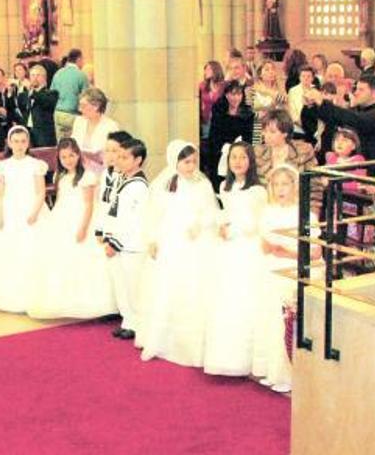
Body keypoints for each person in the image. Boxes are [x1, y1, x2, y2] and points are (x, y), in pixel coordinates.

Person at [138, 140, 219, 367]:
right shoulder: (163, 185)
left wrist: (201, 224)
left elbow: (211, 210)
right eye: (186, 162)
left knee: (192, 288)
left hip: (195, 242)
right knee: (167, 287)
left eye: (194, 161)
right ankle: (162, 338)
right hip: (170, 241)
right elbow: (153, 215)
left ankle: (191, 343)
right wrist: (152, 239)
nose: (191, 166)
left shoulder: (202, 184)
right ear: (175, 162)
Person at [27, 137, 116, 319]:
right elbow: (60, 199)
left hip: (82, 219)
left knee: (84, 258)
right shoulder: (59, 176)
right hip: (63, 218)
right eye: (64, 157)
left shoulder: (87, 176)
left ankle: (90, 300)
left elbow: (89, 205)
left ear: (79, 155)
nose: (68, 160)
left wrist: (83, 228)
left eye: (72, 155)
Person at [203, 141, 265, 377]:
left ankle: (247, 357)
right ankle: (224, 354)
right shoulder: (225, 187)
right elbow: (225, 212)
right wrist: (221, 225)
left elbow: (257, 222)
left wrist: (236, 230)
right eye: (233, 158)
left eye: (242, 157)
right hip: (226, 246)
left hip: (246, 246)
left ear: (251, 162)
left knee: (244, 296)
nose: (237, 162)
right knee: (224, 296)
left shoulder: (257, 191)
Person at [258, 165, 320, 393]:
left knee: (288, 320)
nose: (280, 189)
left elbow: (315, 252)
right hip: (271, 267)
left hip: (293, 269)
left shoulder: (306, 214)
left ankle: (290, 375)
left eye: (285, 184)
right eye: (276, 184)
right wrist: (270, 247)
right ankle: (272, 370)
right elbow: (263, 244)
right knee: (271, 318)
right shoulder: (268, 212)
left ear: (294, 186)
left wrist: (287, 252)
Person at [0, 125, 48, 313]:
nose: (19, 145)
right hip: (10, 210)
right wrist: (0, 214)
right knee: (10, 251)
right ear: (9, 143)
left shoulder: (36, 165)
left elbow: (40, 192)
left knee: (31, 251)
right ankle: (11, 294)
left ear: (28, 143)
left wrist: (35, 213)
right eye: (16, 141)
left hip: (31, 209)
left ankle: (33, 294)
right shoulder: (3, 166)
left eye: (23, 141)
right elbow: (0, 193)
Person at [102, 137, 148, 339]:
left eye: (124, 157)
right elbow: (114, 212)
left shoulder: (139, 186)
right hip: (117, 242)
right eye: (118, 156)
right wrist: (106, 234)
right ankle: (128, 320)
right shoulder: (124, 180)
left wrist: (115, 243)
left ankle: (139, 325)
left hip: (131, 245)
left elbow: (134, 220)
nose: (118, 160)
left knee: (134, 288)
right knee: (121, 285)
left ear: (137, 160)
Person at [304, 73, 375, 166]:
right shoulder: (356, 111)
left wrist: (322, 101)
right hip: (345, 166)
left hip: (365, 171)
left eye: (361, 90)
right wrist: (313, 106)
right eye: (356, 89)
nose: (356, 93)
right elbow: (333, 118)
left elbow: (354, 119)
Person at [208, 80, 255, 188]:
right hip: (221, 152)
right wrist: (225, 149)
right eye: (232, 94)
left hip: (241, 153)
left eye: (239, 94)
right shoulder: (218, 110)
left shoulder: (249, 113)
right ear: (226, 95)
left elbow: (252, 138)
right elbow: (214, 135)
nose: (236, 98)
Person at [70, 87, 119, 165]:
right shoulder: (79, 121)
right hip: (80, 168)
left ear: (96, 106)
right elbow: (72, 145)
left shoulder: (111, 126)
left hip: (102, 169)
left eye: (83, 106)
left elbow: (115, 155)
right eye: (79, 105)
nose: (80, 109)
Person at [51, 49, 89, 139]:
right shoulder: (81, 75)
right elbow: (87, 96)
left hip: (58, 113)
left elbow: (52, 93)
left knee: (61, 143)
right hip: (72, 114)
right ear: (79, 59)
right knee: (75, 142)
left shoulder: (58, 73)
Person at [20, 64, 59, 147]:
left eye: (38, 75)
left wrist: (33, 92)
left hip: (43, 135)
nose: (34, 78)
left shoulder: (51, 93)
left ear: (44, 78)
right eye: (32, 75)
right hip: (28, 132)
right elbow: (21, 109)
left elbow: (45, 101)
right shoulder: (24, 94)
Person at [325, 128, 366, 193]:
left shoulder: (359, 160)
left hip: (351, 199)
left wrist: (333, 184)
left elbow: (358, 185)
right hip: (332, 198)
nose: (339, 143)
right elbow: (324, 180)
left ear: (353, 146)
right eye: (337, 140)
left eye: (345, 140)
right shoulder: (331, 158)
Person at [199, 61, 226, 140]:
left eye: (208, 69)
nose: (205, 72)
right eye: (205, 69)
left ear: (215, 70)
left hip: (220, 120)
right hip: (206, 120)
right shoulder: (202, 85)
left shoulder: (223, 85)